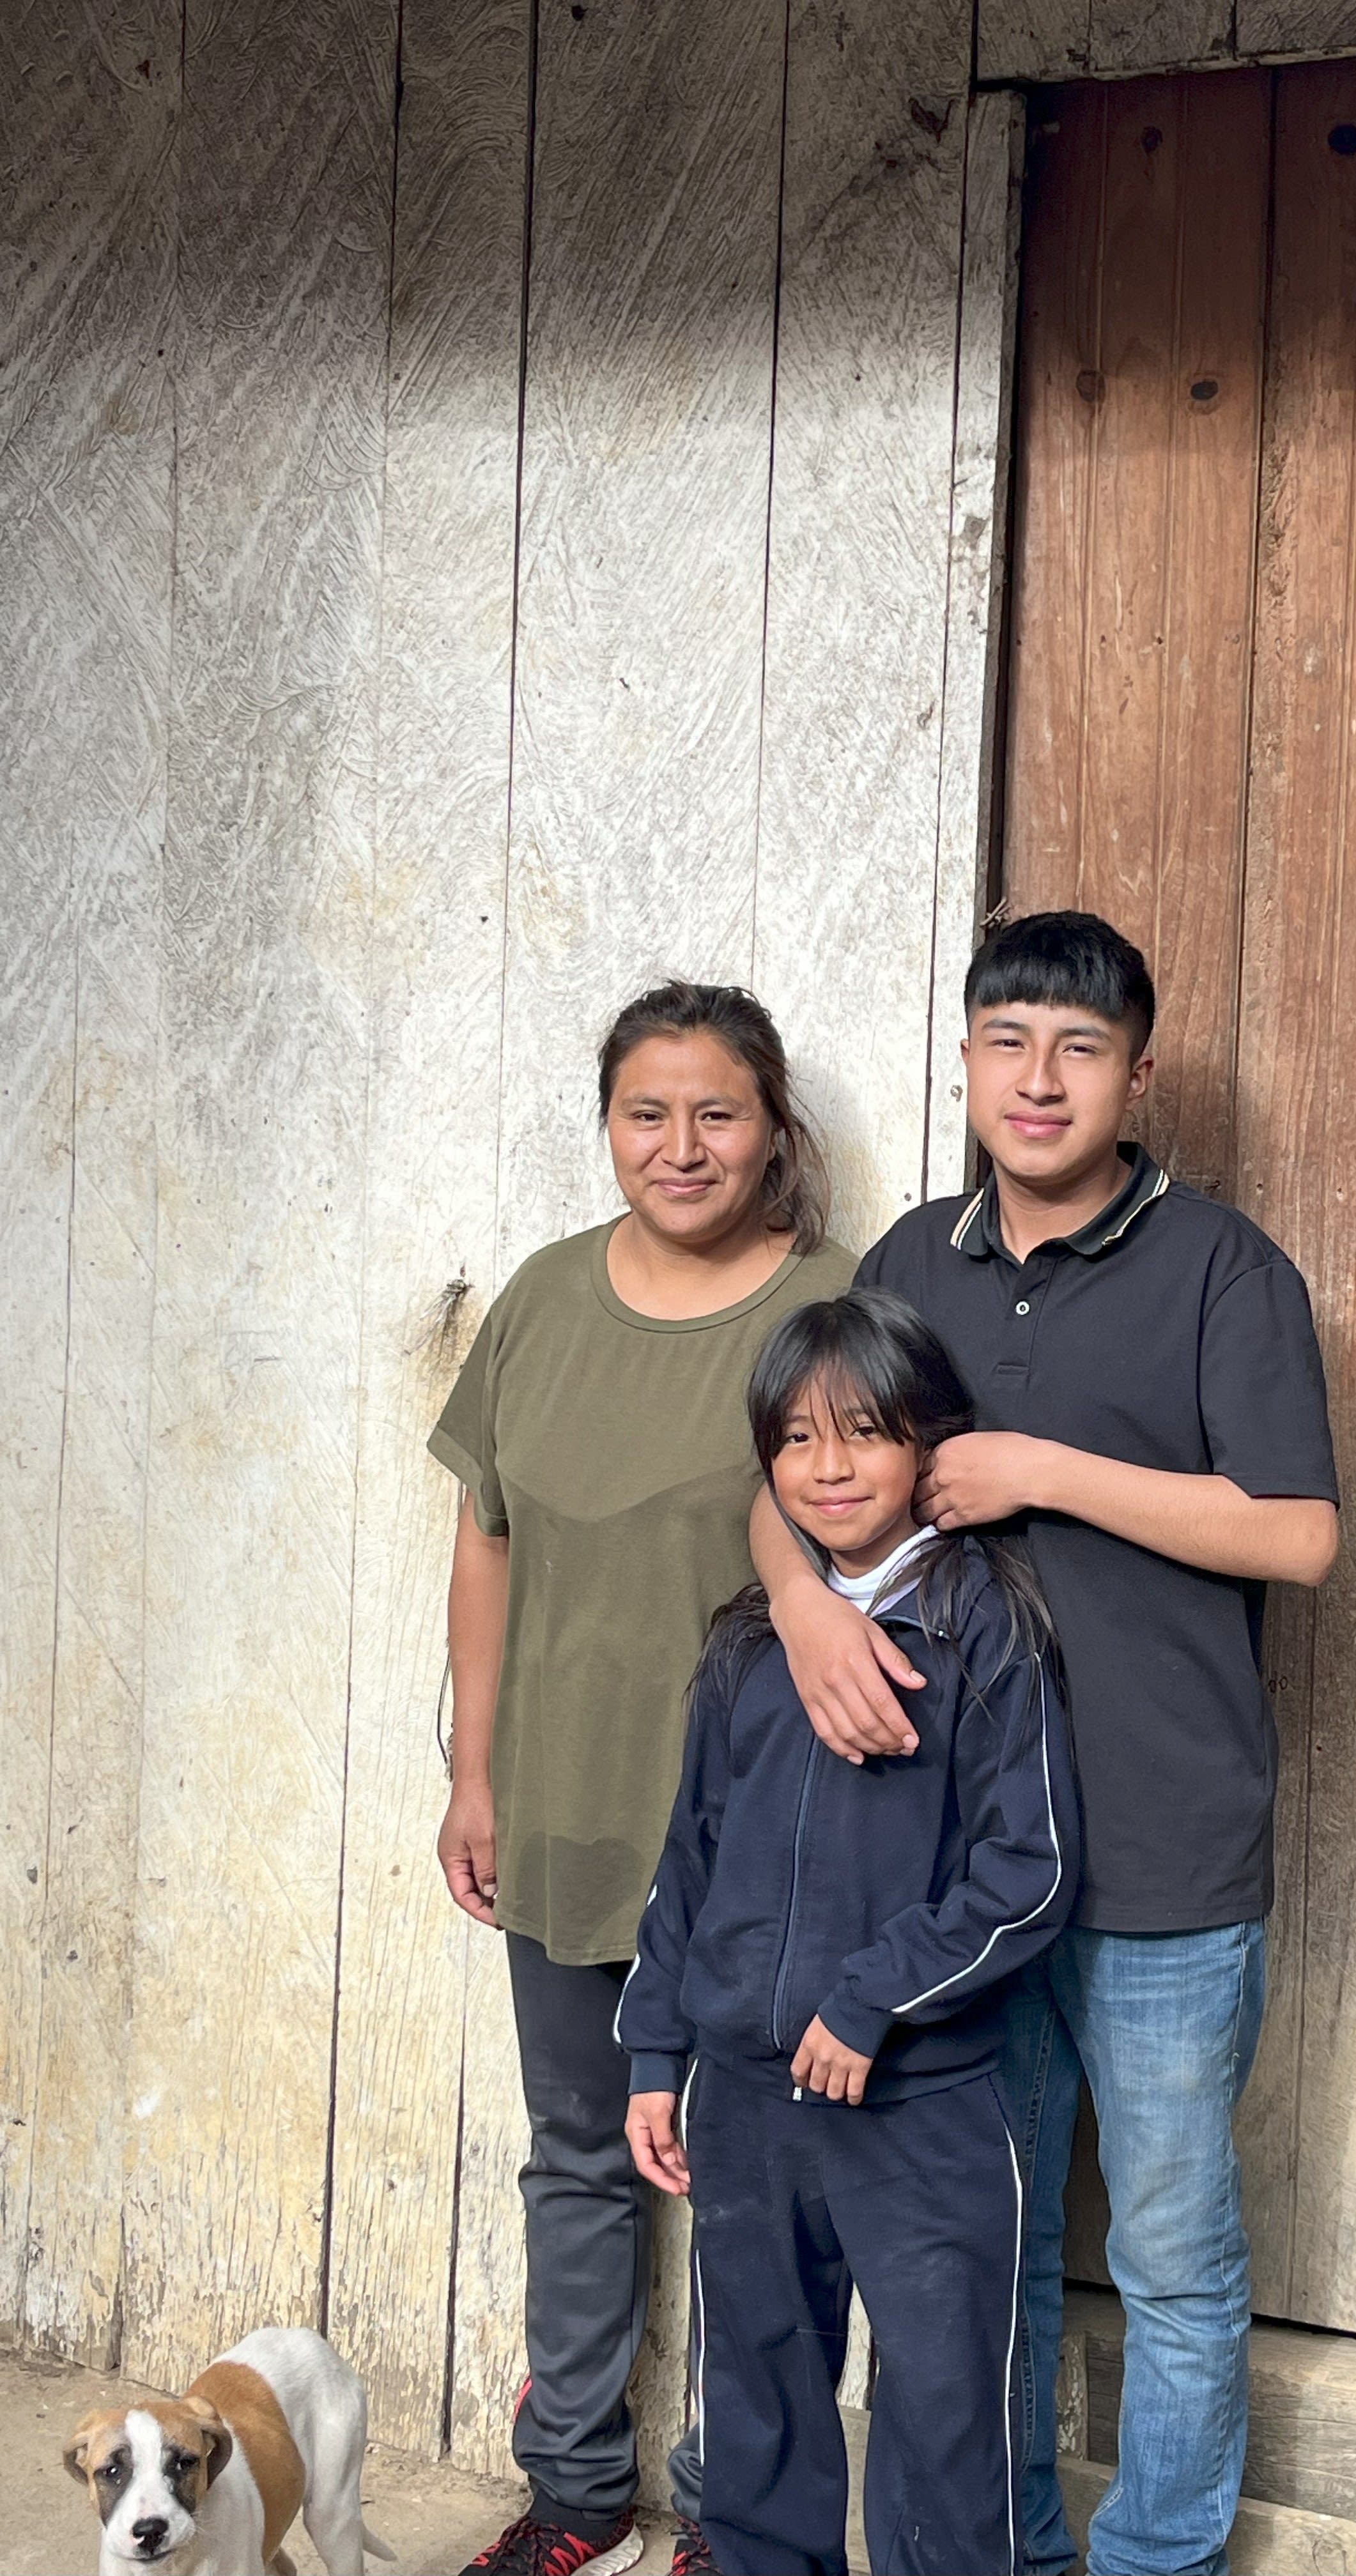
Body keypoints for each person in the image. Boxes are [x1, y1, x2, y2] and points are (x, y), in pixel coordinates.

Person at [750, 912, 1340, 2576]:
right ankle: (1002, 2550)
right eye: (1008, 1041)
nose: (1040, 1078)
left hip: (1162, 1851)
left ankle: (1160, 2558)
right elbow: (792, 1469)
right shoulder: (911, 1262)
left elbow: (1298, 1534)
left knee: (1171, 2255)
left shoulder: (1223, 1268)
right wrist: (800, 1610)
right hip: (951, 1870)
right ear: (965, 1061)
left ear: (1134, 1077)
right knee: (977, 2251)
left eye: (1081, 1049)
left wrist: (1042, 1471)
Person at [429, 982, 855, 2576]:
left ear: (772, 1129)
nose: (681, 1147)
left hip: (750, 1838)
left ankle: (736, 2516)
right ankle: (575, 2494)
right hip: (562, 1807)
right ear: (607, 1126)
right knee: (577, 2156)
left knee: (749, 2180)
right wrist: (475, 1775)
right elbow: (488, 1542)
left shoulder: (829, 1306)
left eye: (716, 1114)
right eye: (646, 1114)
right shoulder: (543, 1299)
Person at [620, 1288, 1081, 2576]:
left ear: (929, 1440)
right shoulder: (749, 1643)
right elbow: (688, 1864)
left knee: (945, 2419)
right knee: (757, 2409)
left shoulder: (984, 1626)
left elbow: (1030, 1870)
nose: (828, 1468)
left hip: (920, 2107)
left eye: (865, 1433)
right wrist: (657, 2058)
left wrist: (875, 1996)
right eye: (797, 1439)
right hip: (747, 2102)